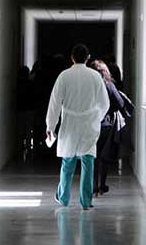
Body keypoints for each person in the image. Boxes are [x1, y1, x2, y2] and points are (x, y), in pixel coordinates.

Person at [46, 44, 110, 210]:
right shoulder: (95, 76)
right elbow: (105, 103)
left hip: (70, 123)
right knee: (88, 161)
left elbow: (54, 103)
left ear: (72, 58)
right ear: (88, 58)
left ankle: (63, 197)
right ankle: (86, 201)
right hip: (89, 123)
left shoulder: (64, 76)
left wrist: (50, 126)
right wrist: (96, 118)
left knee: (68, 161)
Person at [88, 60, 126, 197]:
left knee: (92, 156)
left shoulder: (88, 85)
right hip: (105, 124)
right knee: (104, 156)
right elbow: (120, 103)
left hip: (89, 123)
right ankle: (101, 186)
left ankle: (92, 186)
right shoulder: (108, 85)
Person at [16, 66, 35, 150]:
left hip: (20, 109)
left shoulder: (18, 84)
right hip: (29, 109)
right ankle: (28, 146)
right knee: (28, 129)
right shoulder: (31, 84)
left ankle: (20, 146)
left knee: (20, 129)